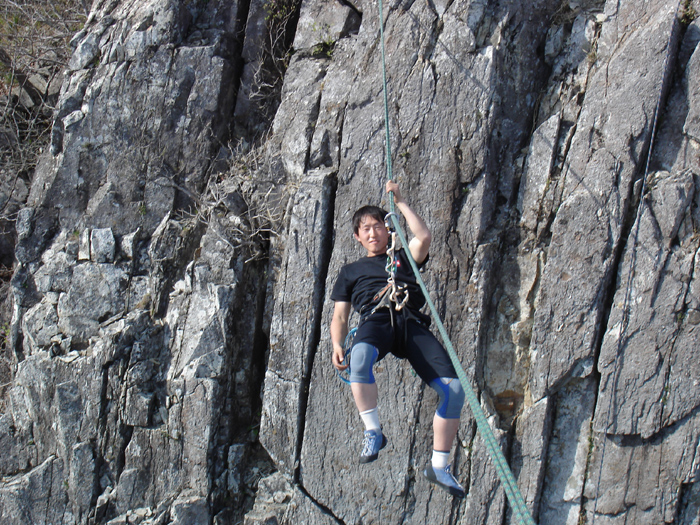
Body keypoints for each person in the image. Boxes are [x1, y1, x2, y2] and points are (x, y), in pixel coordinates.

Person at [330, 180, 466, 498]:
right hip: (376, 320)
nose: (373, 233)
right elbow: (340, 316)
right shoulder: (351, 271)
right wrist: (337, 343)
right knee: (359, 360)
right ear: (357, 236)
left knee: (455, 391)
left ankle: (439, 466)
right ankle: (373, 431)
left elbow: (424, 237)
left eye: (378, 226)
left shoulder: (403, 258)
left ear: (387, 229)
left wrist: (400, 203)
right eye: (365, 229)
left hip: (411, 321)